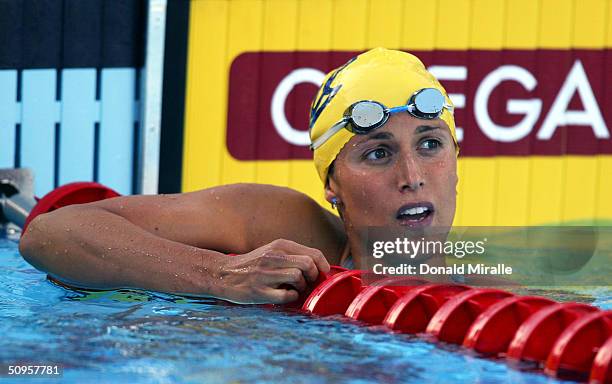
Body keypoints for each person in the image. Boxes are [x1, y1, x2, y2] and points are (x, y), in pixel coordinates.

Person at [19, 48, 458, 304]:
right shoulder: (280, 226)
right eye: (379, 152)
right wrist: (219, 275)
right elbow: (51, 233)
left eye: (430, 144)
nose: (412, 175)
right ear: (332, 184)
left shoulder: (493, 292)